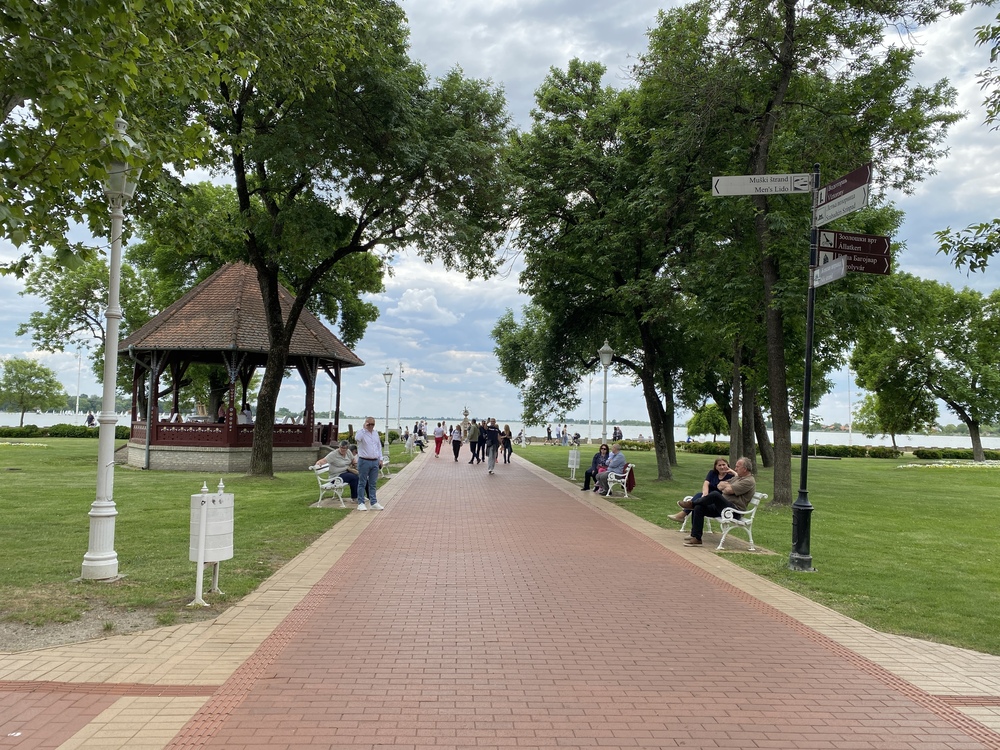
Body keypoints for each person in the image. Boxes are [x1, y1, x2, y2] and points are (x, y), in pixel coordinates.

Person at [682, 456, 756, 546]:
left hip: (734, 511)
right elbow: (719, 485)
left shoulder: (748, 481)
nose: (735, 469)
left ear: (744, 469)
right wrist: (726, 487)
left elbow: (728, 490)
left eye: (737, 467)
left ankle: (692, 504)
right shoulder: (737, 478)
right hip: (722, 508)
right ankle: (696, 538)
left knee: (715, 494)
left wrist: (727, 487)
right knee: (699, 507)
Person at [669, 457, 736, 523]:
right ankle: (691, 525)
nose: (722, 467)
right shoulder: (712, 473)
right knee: (698, 501)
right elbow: (706, 483)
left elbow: (740, 481)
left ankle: (683, 514)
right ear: (716, 467)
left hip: (718, 501)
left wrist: (732, 472)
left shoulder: (731, 476)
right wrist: (705, 493)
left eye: (724, 465)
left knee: (697, 501)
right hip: (707, 497)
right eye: (719, 465)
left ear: (727, 465)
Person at [354, 416, 385, 511]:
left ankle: (374, 502)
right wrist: (364, 428)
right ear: (366, 423)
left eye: (373, 424)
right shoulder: (361, 433)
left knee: (373, 483)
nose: (371, 426)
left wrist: (380, 459)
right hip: (364, 460)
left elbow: (378, 446)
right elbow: (357, 438)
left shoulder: (375, 433)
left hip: (374, 461)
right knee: (362, 482)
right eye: (369, 424)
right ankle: (361, 503)